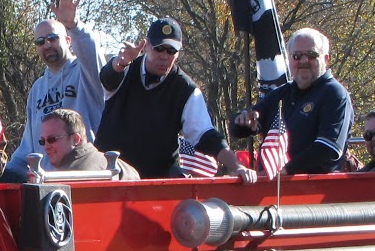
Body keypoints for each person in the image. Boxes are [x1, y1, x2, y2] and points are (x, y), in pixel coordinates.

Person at [94, 16, 258, 182]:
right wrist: (120, 63)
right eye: (160, 48)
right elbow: (108, 79)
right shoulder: (126, 69)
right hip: (111, 177)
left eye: (171, 51)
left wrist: (236, 166)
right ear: (146, 45)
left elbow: (205, 135)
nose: (164, 56)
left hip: (156, 183)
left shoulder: (186, 89)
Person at [4, 0, 109, 179]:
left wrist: (74, 24)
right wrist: (6, 172)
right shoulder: (37, 88)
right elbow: (29, 145)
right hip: (48, 185)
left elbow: (91, 53)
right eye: (40, 41)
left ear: (68, 40)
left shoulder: (85, 72)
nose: (47, 44)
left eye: (52, 38)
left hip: (86, 177)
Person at [232, 28, 354, 174]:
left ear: (326, 58)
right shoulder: (280, 94)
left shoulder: (334, 93)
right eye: (297, 56)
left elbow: (327, 148)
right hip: (274, 187)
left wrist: (285, 171)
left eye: (312, 55)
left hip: (315, 189)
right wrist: (242, 121)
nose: (304, 61)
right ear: (289, 60)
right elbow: (239, 130)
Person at [39, 109, 141, 177]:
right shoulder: (125, 168)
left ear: (75, 139)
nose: (46, 147)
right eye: (43, 141)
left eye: (52, 139)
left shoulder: (67, 177)